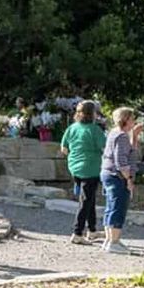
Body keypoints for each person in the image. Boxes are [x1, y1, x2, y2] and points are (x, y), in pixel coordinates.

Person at [59, 100, 105, 244]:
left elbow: (64, 149)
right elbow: (104, 148)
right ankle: (77, 233)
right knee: (85, 201)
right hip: (90, 168)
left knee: (89, 199)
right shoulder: (95, 130)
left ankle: (92, 230)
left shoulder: (72, 128)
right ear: (93, 114)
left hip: (74, 168)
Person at [100, 107, 140, 252]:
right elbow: (121, 159)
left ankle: (109, 239)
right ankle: (114, 242)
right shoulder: (122, 136)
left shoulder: (114, 133)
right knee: (118, 207)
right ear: (126, 119)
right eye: (132, 118)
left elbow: (129, 152)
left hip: (107, 172)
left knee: (110, 207)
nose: (134, 121)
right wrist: (128, 178)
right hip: (117, 175)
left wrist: (134, 136)